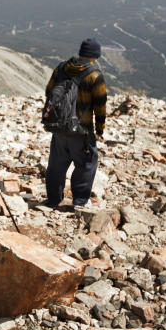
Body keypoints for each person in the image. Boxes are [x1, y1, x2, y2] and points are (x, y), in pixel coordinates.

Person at [44, 38, 108, 208]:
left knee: (56, 165)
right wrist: (100, 129)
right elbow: (100, 105)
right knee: (86, 164)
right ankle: (80, 201)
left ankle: (52, 199)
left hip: (58, 127)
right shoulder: (95, 75)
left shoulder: (62, 68)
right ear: (95, 56)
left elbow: (49, 91)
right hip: (81, 130)